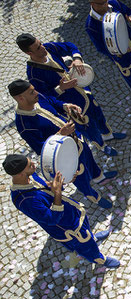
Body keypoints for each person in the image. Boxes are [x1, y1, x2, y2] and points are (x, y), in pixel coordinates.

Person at [9, 80, 116, 209]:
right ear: (21, 98)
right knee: (79, 176)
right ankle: (92, 196)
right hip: (65, 154)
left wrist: (66, 106)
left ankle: (99, 176)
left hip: (77, 140)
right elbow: (41, 149)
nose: (36, 92)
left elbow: (51, 101)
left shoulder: (37, 98)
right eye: (32, 92)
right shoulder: (24, 125)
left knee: (88, 158)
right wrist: (60, 134)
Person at [16, 33, 126, 156]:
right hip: (72, 104)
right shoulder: (33, 73)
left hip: (83, 93)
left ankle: (108, 134)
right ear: (29, 53)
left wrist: (77, 59)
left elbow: (70, 46)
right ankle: (102, 146)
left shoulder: (49, 48)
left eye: (40, 43)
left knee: (98, 114)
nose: (42, 47)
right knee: (89, 128)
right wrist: (60, 88)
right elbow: (44, 97)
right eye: (38, 48)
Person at [3, 154, 120, 268]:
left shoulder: (29, 176)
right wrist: (58, 192)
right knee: (85, 246)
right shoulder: (25, 201)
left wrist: (61, 182)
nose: (34, 164)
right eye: (29, 165)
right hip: (67, 228)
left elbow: (44, 186)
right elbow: (52, 219)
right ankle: (99, 259)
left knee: (86, 233)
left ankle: (92, 238)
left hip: (71, 213)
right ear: (20, 174)